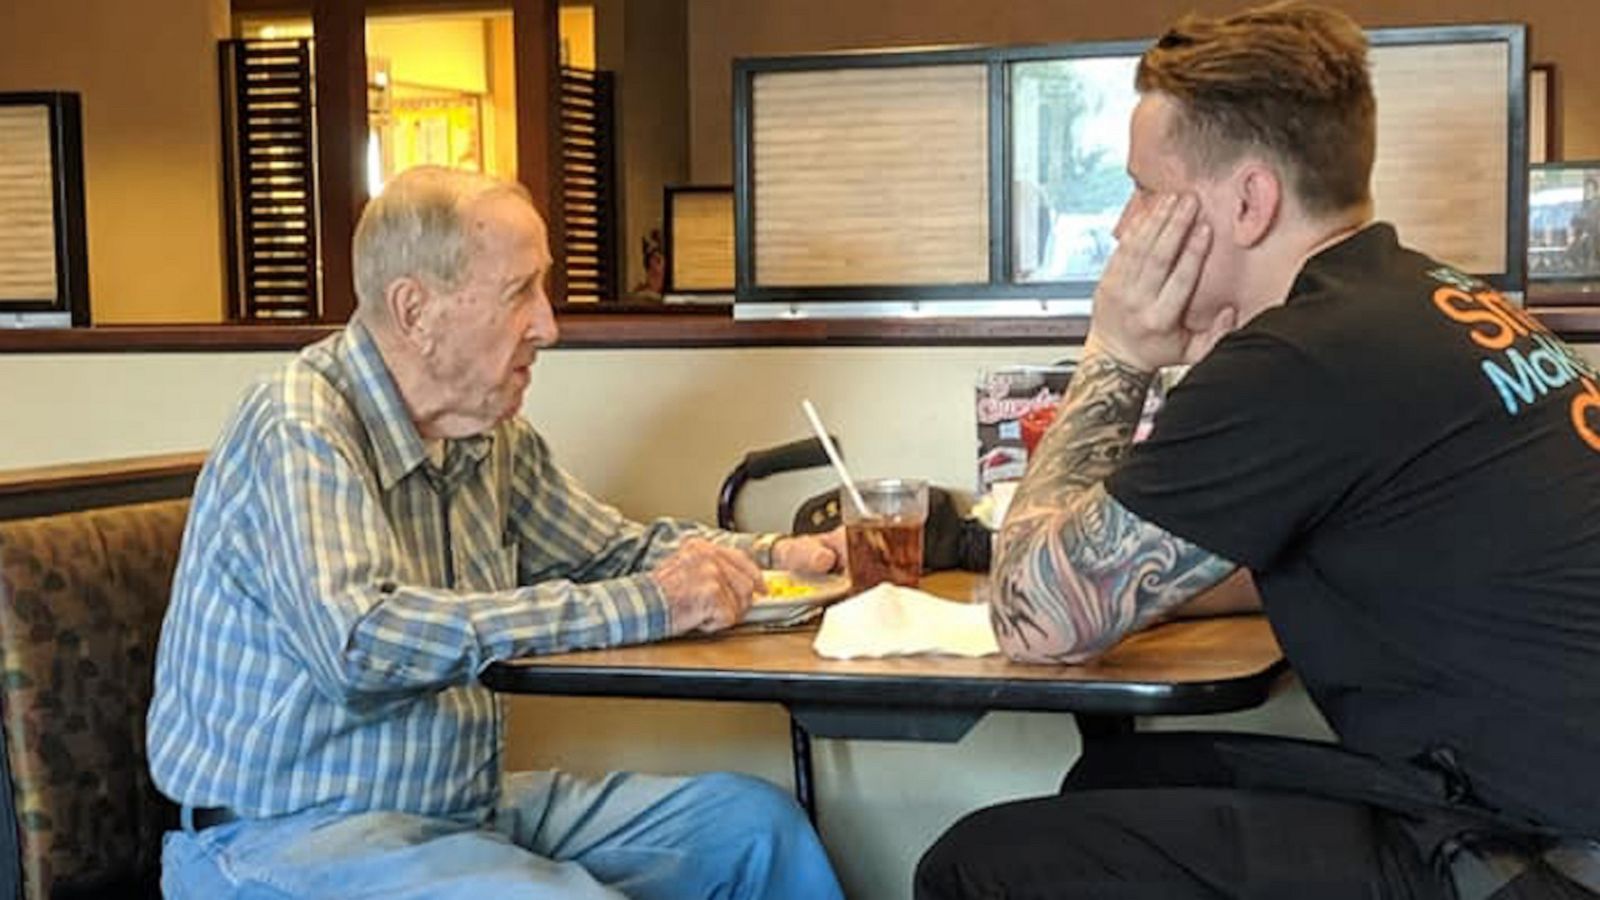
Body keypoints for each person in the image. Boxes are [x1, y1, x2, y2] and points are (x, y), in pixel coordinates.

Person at [918, 4, 1600, 898]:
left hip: (1541, 854)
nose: (1124, 230)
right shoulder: (1427, 299)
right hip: (1527, 794)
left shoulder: (1299, 359)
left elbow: (1033, 623)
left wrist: (1114, 352)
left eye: (1144, 191)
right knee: (1121, 779)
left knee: (978, 866)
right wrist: (1134, 585)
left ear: (1247, 202)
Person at [148, 165, 847, 900]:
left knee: (752, 831)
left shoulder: (485, 433)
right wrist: (655, 602)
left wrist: (783, 559)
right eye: (521, 293)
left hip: (459, 811)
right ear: (416, 310)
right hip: (282, 837)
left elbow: (614, 553)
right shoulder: (300, 422)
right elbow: (359, 645)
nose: (549, 325)